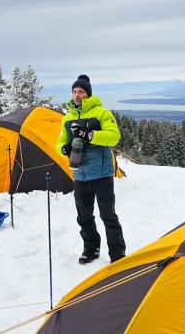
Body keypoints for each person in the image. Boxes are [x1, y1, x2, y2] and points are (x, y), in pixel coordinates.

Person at [56, 74, 126, 264]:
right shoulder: (67, 118)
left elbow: (113, 137)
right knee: (84, 216)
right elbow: (60, 141)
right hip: (79, 173)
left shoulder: (101, 113)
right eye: (74, 91)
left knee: (108, 215)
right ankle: (91, 249)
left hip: (101, 173)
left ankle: (118, 255)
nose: (77, 95)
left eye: (81, 91)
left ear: (88, 94)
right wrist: (64, 148)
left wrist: (90, 135)